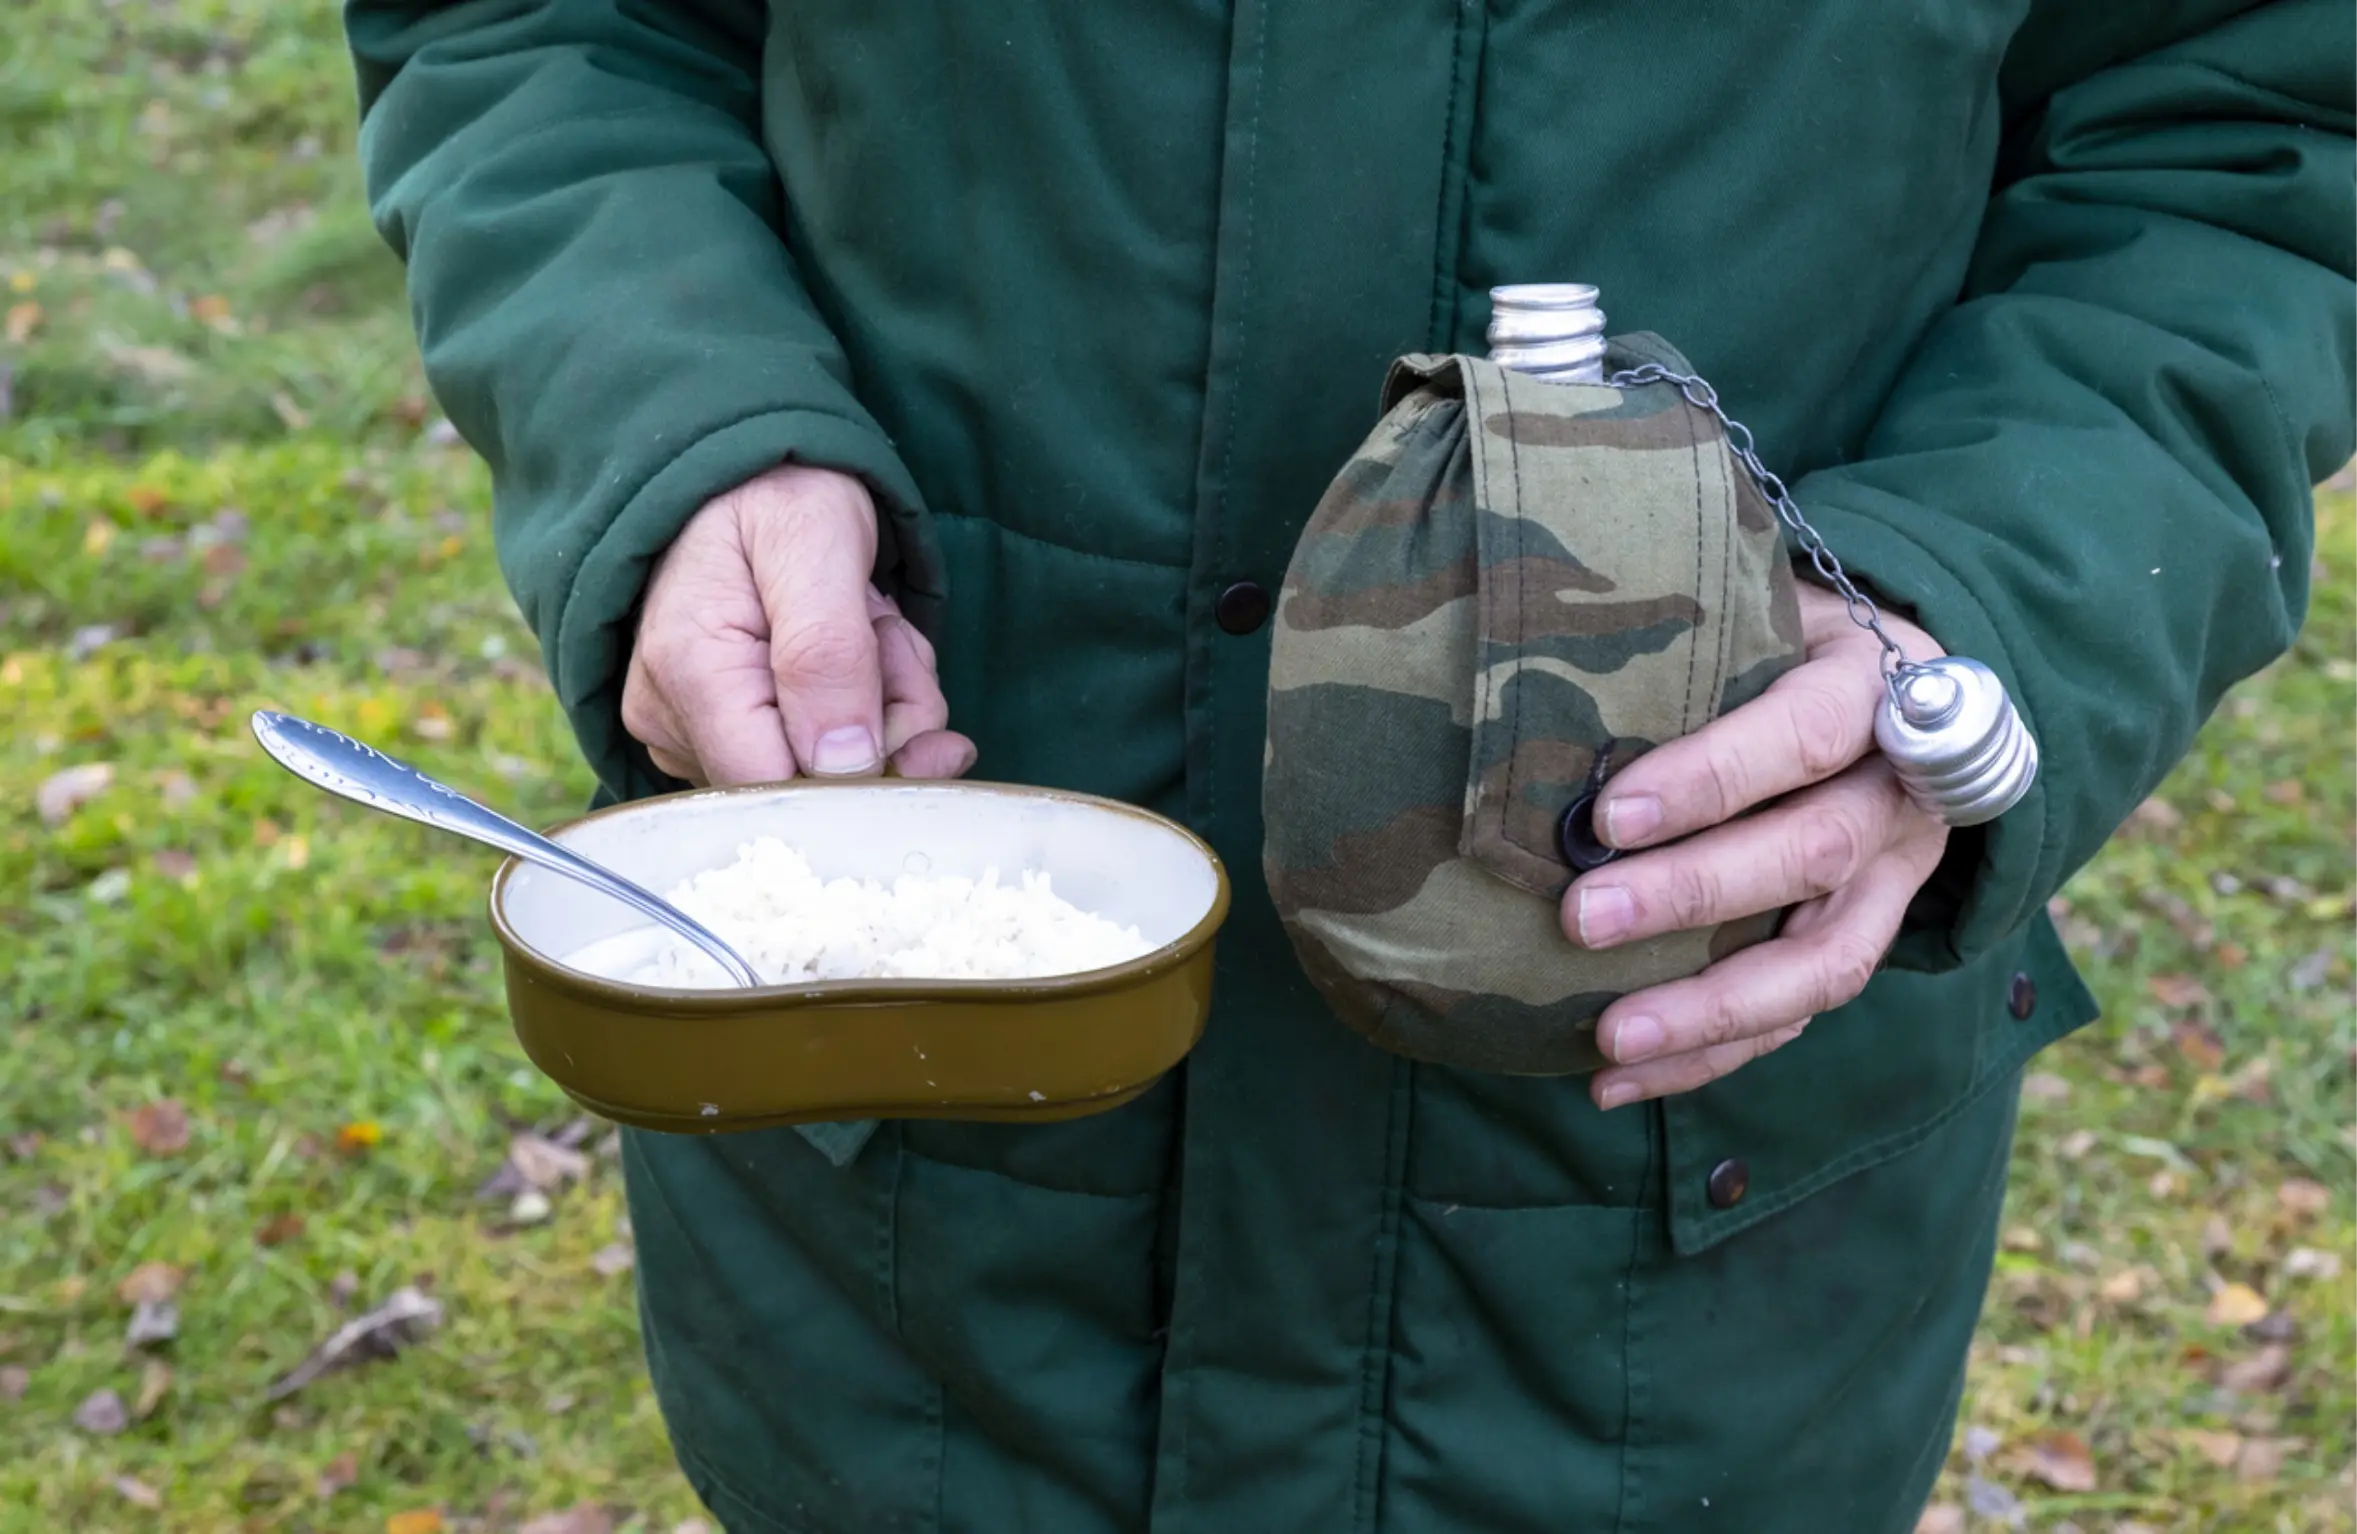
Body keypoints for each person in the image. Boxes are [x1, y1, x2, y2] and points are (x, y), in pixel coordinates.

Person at [342, 4, 2356, 1529]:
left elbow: (2250, 129)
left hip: (1671, 1248)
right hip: (927, 1189)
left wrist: (1971, 606)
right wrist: (682, 428)